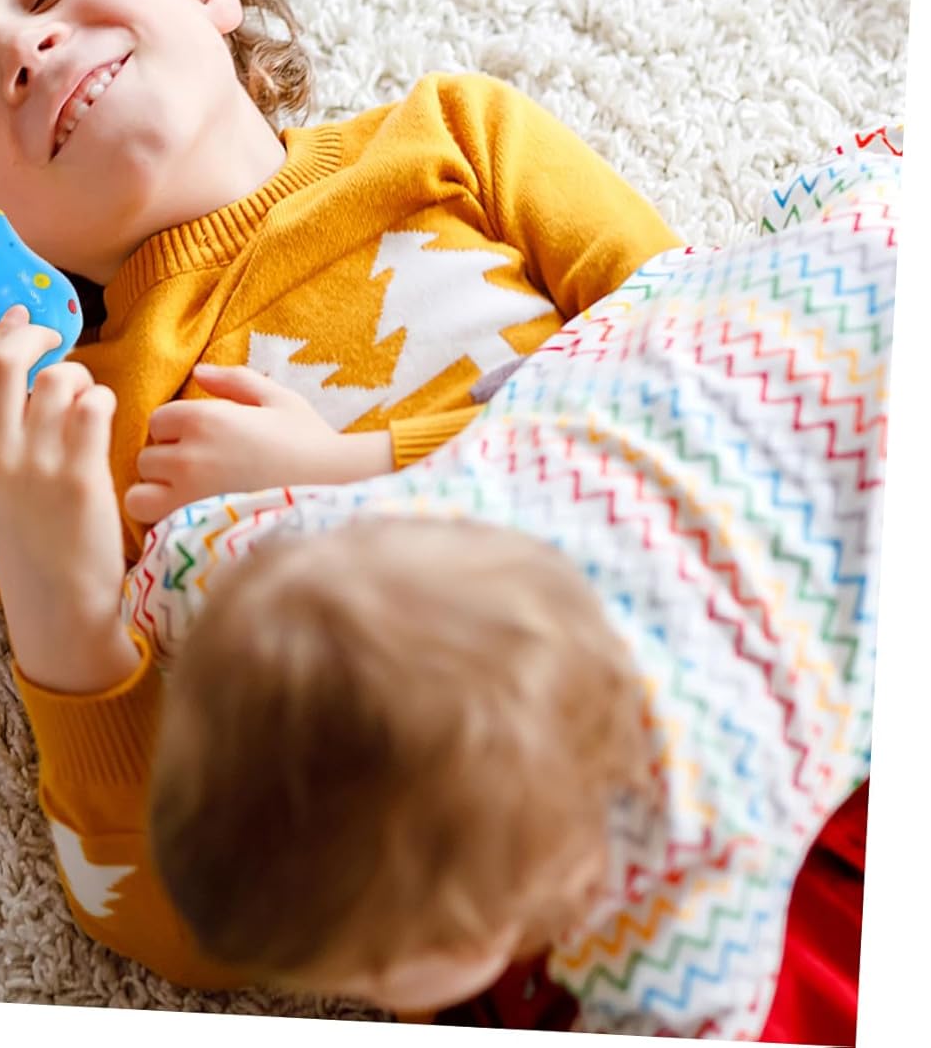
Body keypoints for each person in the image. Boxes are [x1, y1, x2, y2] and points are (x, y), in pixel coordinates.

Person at [0, 0, 678, 983]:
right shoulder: (66, 442)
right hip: (548, 930)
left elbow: (713, 358)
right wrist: (59, 602)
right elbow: (181, 921)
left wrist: (358, 481)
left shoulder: (457, 136)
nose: (22, 51)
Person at [132, 134, 899, 1038]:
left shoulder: (689, 851)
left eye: (367, 974)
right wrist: (135, 605)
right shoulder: (359, 535)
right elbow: (185, 562)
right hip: (834, 251)